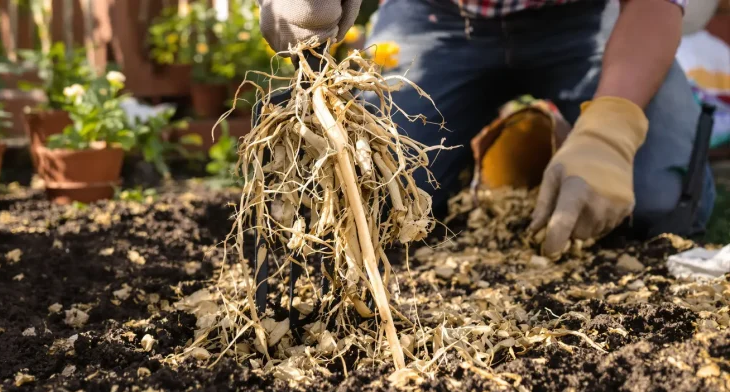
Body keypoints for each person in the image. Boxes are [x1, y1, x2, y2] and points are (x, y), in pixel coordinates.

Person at [257, 0, 716, 258]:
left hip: (586, 17)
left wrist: (609, 133)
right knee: (370, 194)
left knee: (659, 198)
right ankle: (519, 151)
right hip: (433, 16)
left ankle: (553, 143)